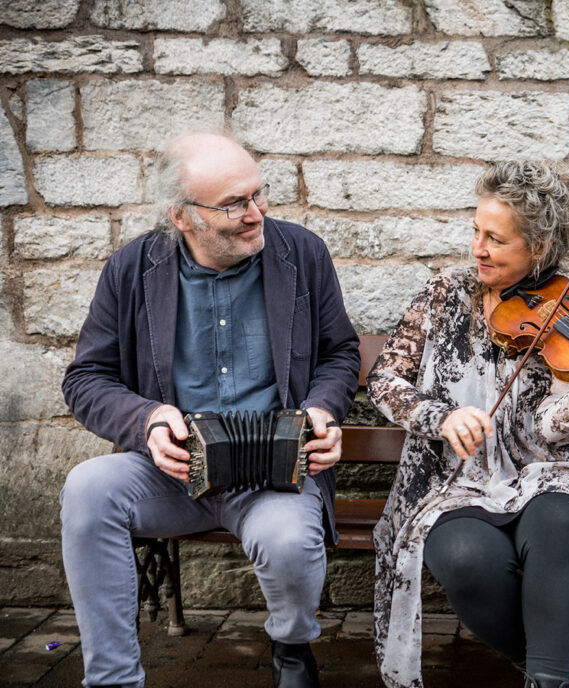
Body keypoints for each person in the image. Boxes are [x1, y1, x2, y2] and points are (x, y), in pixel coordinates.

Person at [60, 131, 361, 688]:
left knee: (288, 541)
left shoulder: (302, 253)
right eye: (233, 204)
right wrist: (147, 420)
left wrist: (322, 408)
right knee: (87, 488)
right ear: (181, 216)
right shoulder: (130, 269)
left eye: (257, 194)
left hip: (277, 474)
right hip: (171, 474)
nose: (256, 213)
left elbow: (339, 353)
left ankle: (292, 647)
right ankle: (113, 678)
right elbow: (85, 379)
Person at [368, 161, 569, 688]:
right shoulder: (443, 295)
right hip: (452, 480)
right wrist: (442, 416)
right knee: (466, 558)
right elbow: (385, 380)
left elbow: (547, 431)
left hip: (544, 472)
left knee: (562, 520)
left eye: (495, 239)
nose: (477, 248)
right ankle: (545, 664)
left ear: (539, 247)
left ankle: (549, 680)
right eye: (477, 231)